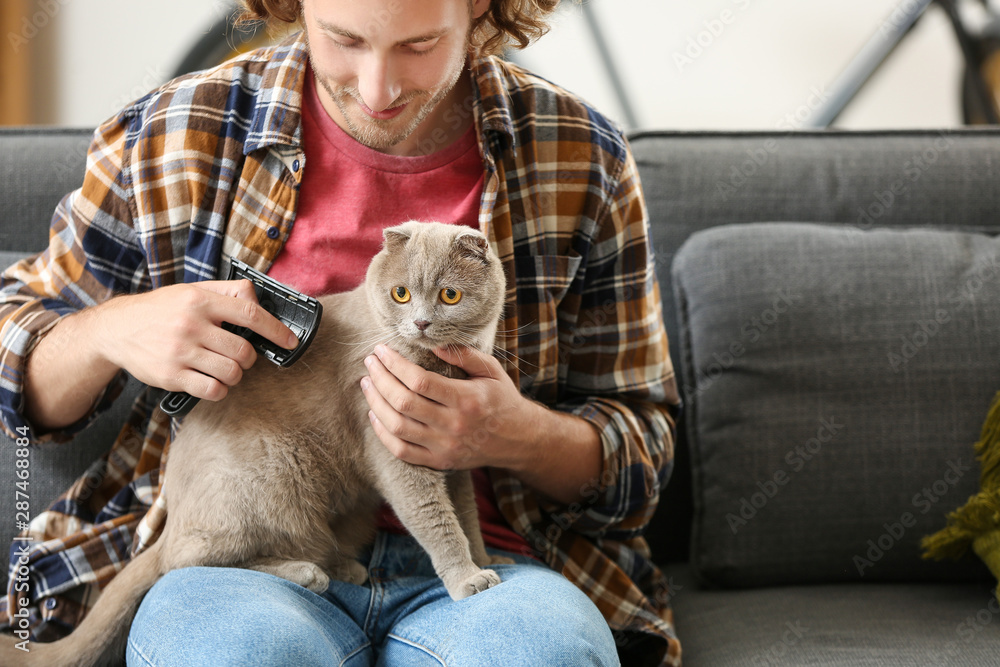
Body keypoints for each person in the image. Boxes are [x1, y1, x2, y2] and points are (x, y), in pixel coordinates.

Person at [0, 0, 681, 664]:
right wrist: (110, 329)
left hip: (495, 562)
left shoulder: (579, 152)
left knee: (540, 655)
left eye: (417, 45)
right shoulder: (174, 132)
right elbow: (15, 367)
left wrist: (515, 434)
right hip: (251, 550)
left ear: (480, 6)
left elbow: (644, 457)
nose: (377, 89)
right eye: (344, 39)